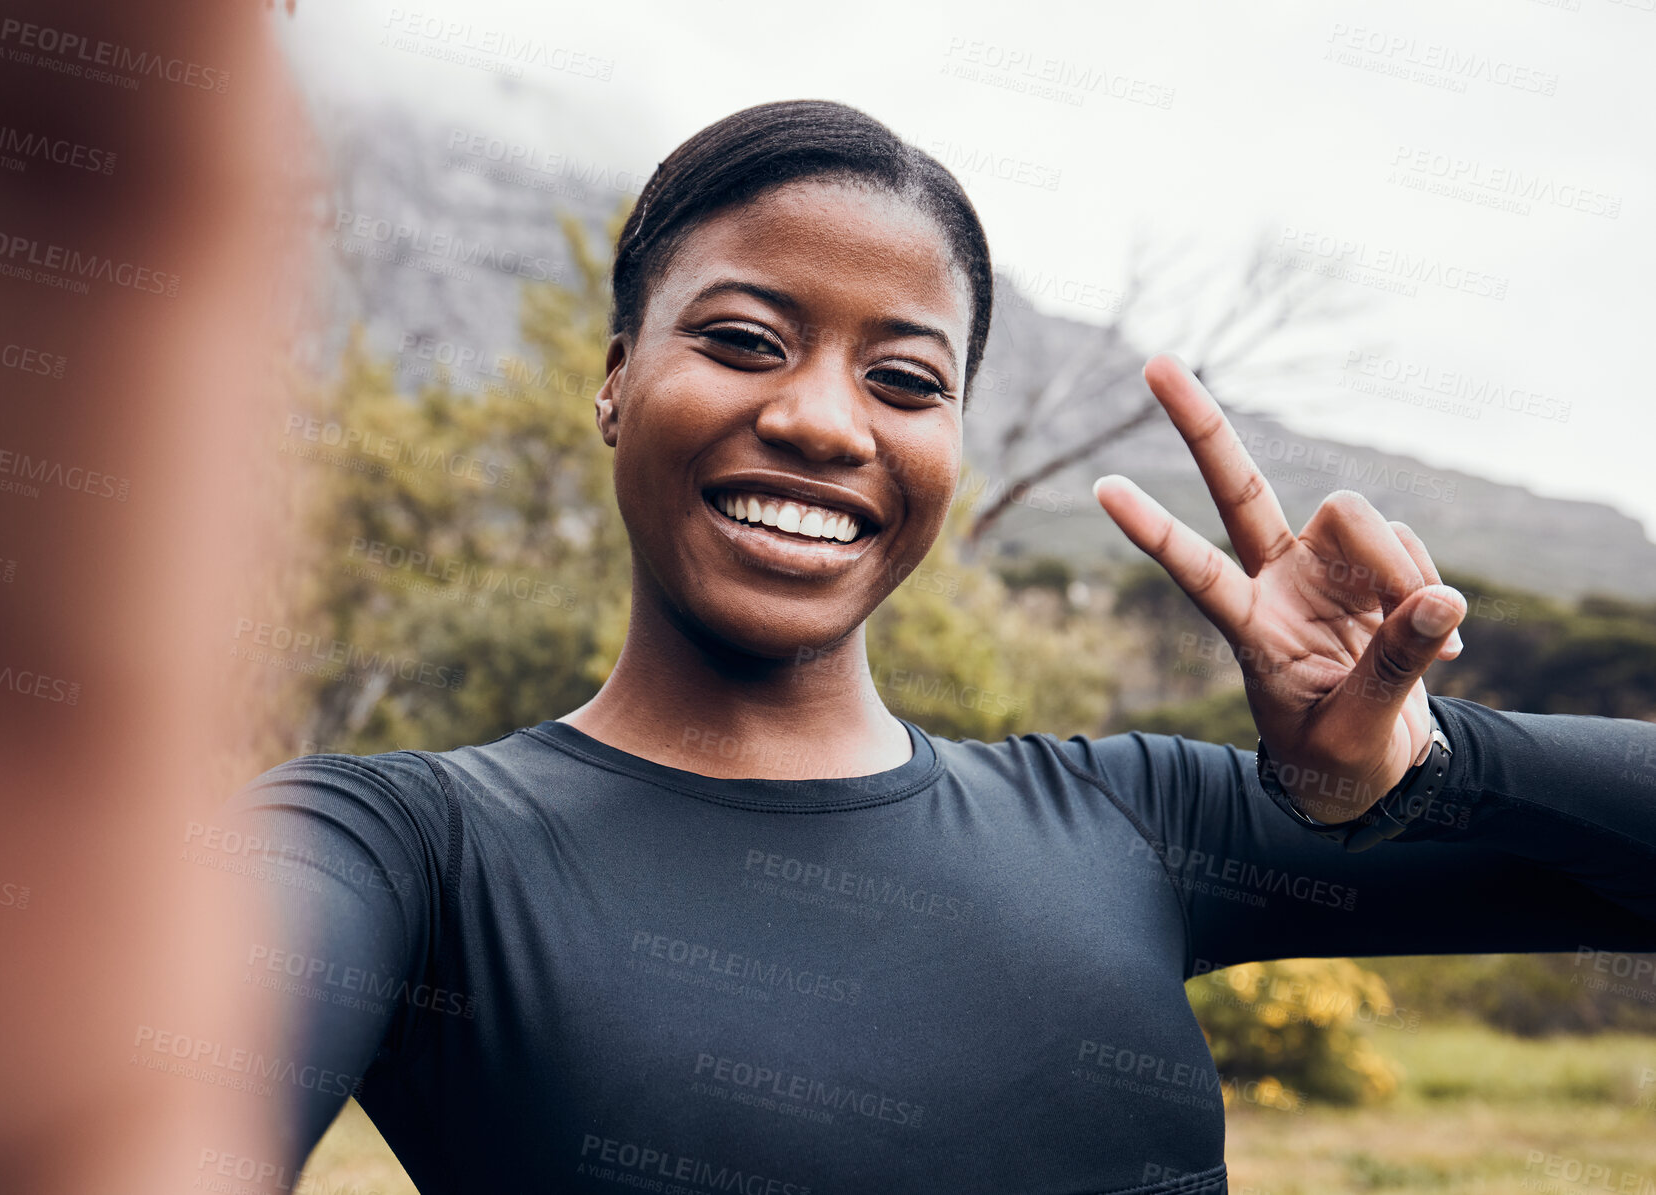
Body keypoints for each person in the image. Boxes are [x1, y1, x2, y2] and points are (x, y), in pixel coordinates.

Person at [227, 100, 1656, 1195]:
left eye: (905, 380)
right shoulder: (406, 852)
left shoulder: (1133, 820)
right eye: (739, 338)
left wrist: (1427, 767)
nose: (825, 422)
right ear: (615, 381)